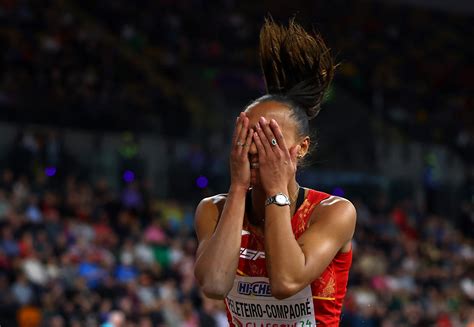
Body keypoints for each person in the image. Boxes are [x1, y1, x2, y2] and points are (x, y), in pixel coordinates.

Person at [194, 18, 357, 326]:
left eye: (272, 139)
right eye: (249, 137)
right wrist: (239, 190)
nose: (257, 149)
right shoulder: (212, 209)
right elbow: (215, 285)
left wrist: (277, 192)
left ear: (302, 147)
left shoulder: (332, 212)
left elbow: (286, 282)